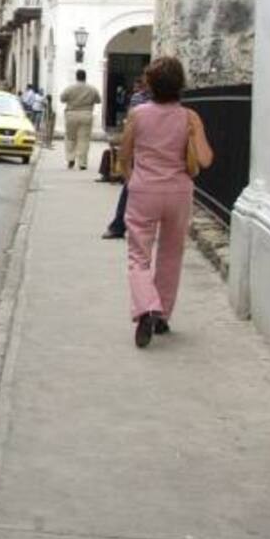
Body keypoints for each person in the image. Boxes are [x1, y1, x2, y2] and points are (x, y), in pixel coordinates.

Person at [117, 57, 213, 347]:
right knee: (171, 254)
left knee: (138, 255)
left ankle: (146, 306)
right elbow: (205, 159)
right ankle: (161, 315)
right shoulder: (189, 117)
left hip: (145, 190)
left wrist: (132, 179)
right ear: (180, 84)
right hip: (178, 192)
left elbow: (124, 156)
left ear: (149, 83)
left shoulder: (138, 114)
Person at [102, 74, 152, 239]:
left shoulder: (143, 103)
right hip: (144, 149)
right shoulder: (140, 100)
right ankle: (120, 225)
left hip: (148, 150)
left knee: (132, 188)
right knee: (131, 188)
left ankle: (121, 225)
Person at [60, 69, 100, 170]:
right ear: (85, 77)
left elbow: (62, 99)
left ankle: (70, 158)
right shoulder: (92, 89)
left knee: (70, 138)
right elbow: (98, 100)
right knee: (84, 139)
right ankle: (82, 163)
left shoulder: (70, 88)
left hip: (71, 114)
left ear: (76, 77)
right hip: (86, 114)